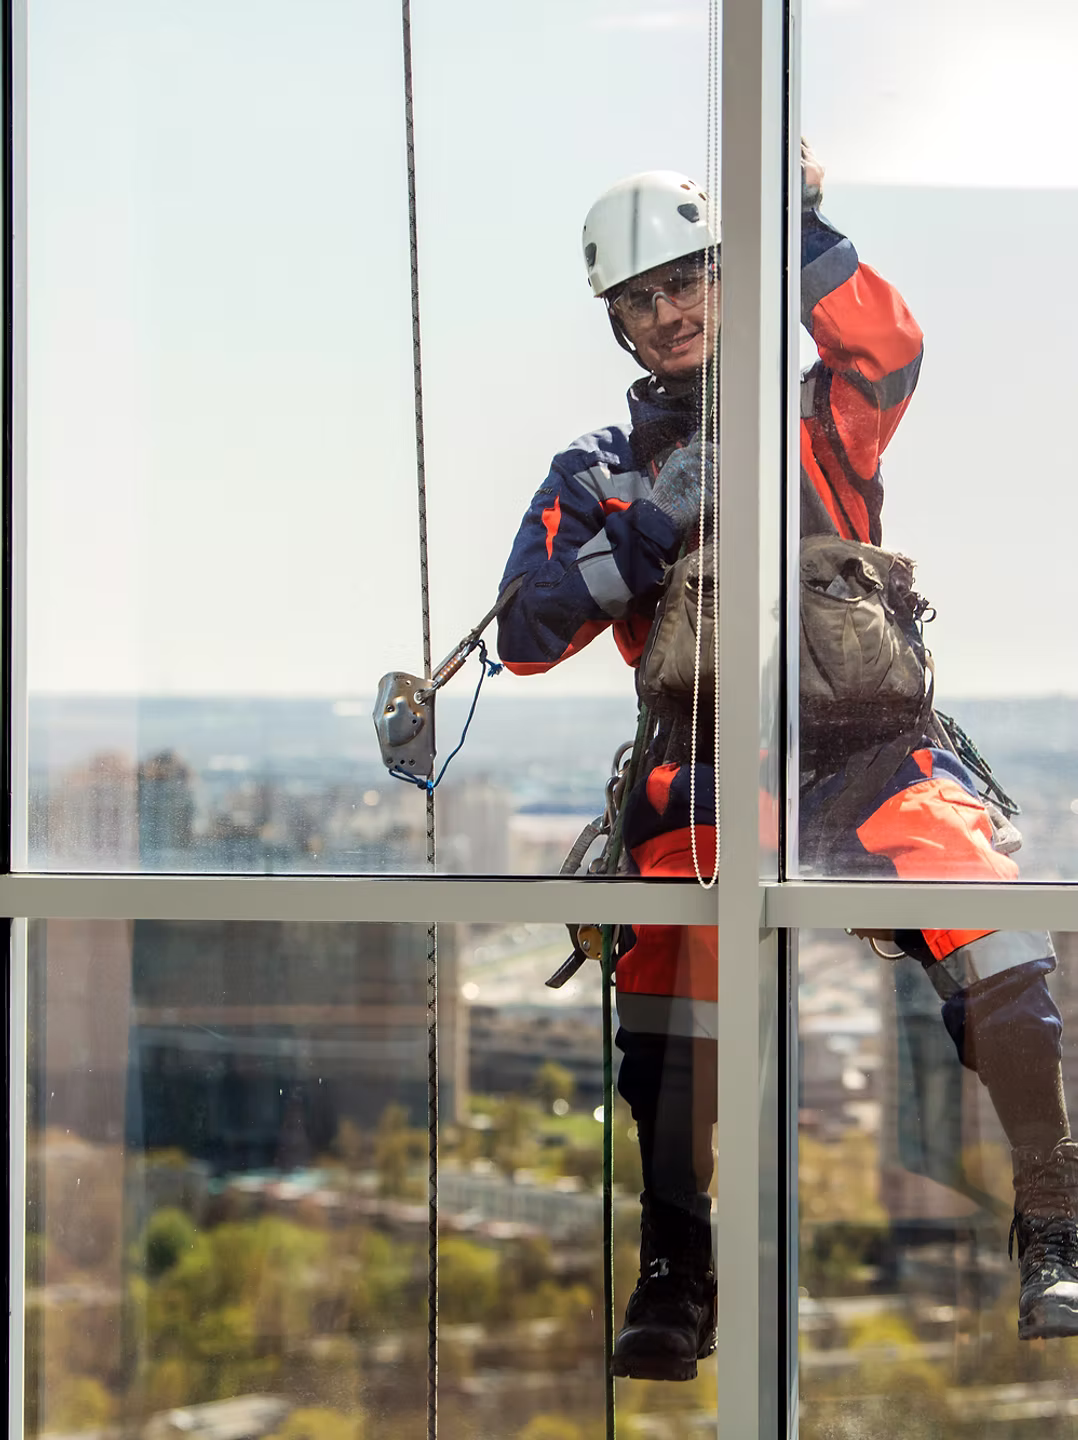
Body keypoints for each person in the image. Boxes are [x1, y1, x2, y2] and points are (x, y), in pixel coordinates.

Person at [495, 150, 1078, 1381]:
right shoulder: (595, 476)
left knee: (990, 911)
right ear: (617, 323)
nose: (670, 311)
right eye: (641, 300)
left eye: (688, 281)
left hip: (866, 755)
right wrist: (653, 525)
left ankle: (1056, 1217)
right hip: (700, 774)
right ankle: (676, 1266)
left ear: (725, 275)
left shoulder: (813, 423)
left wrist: (805, 227)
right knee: (669, 968)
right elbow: (527, 631)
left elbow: (886, 354)